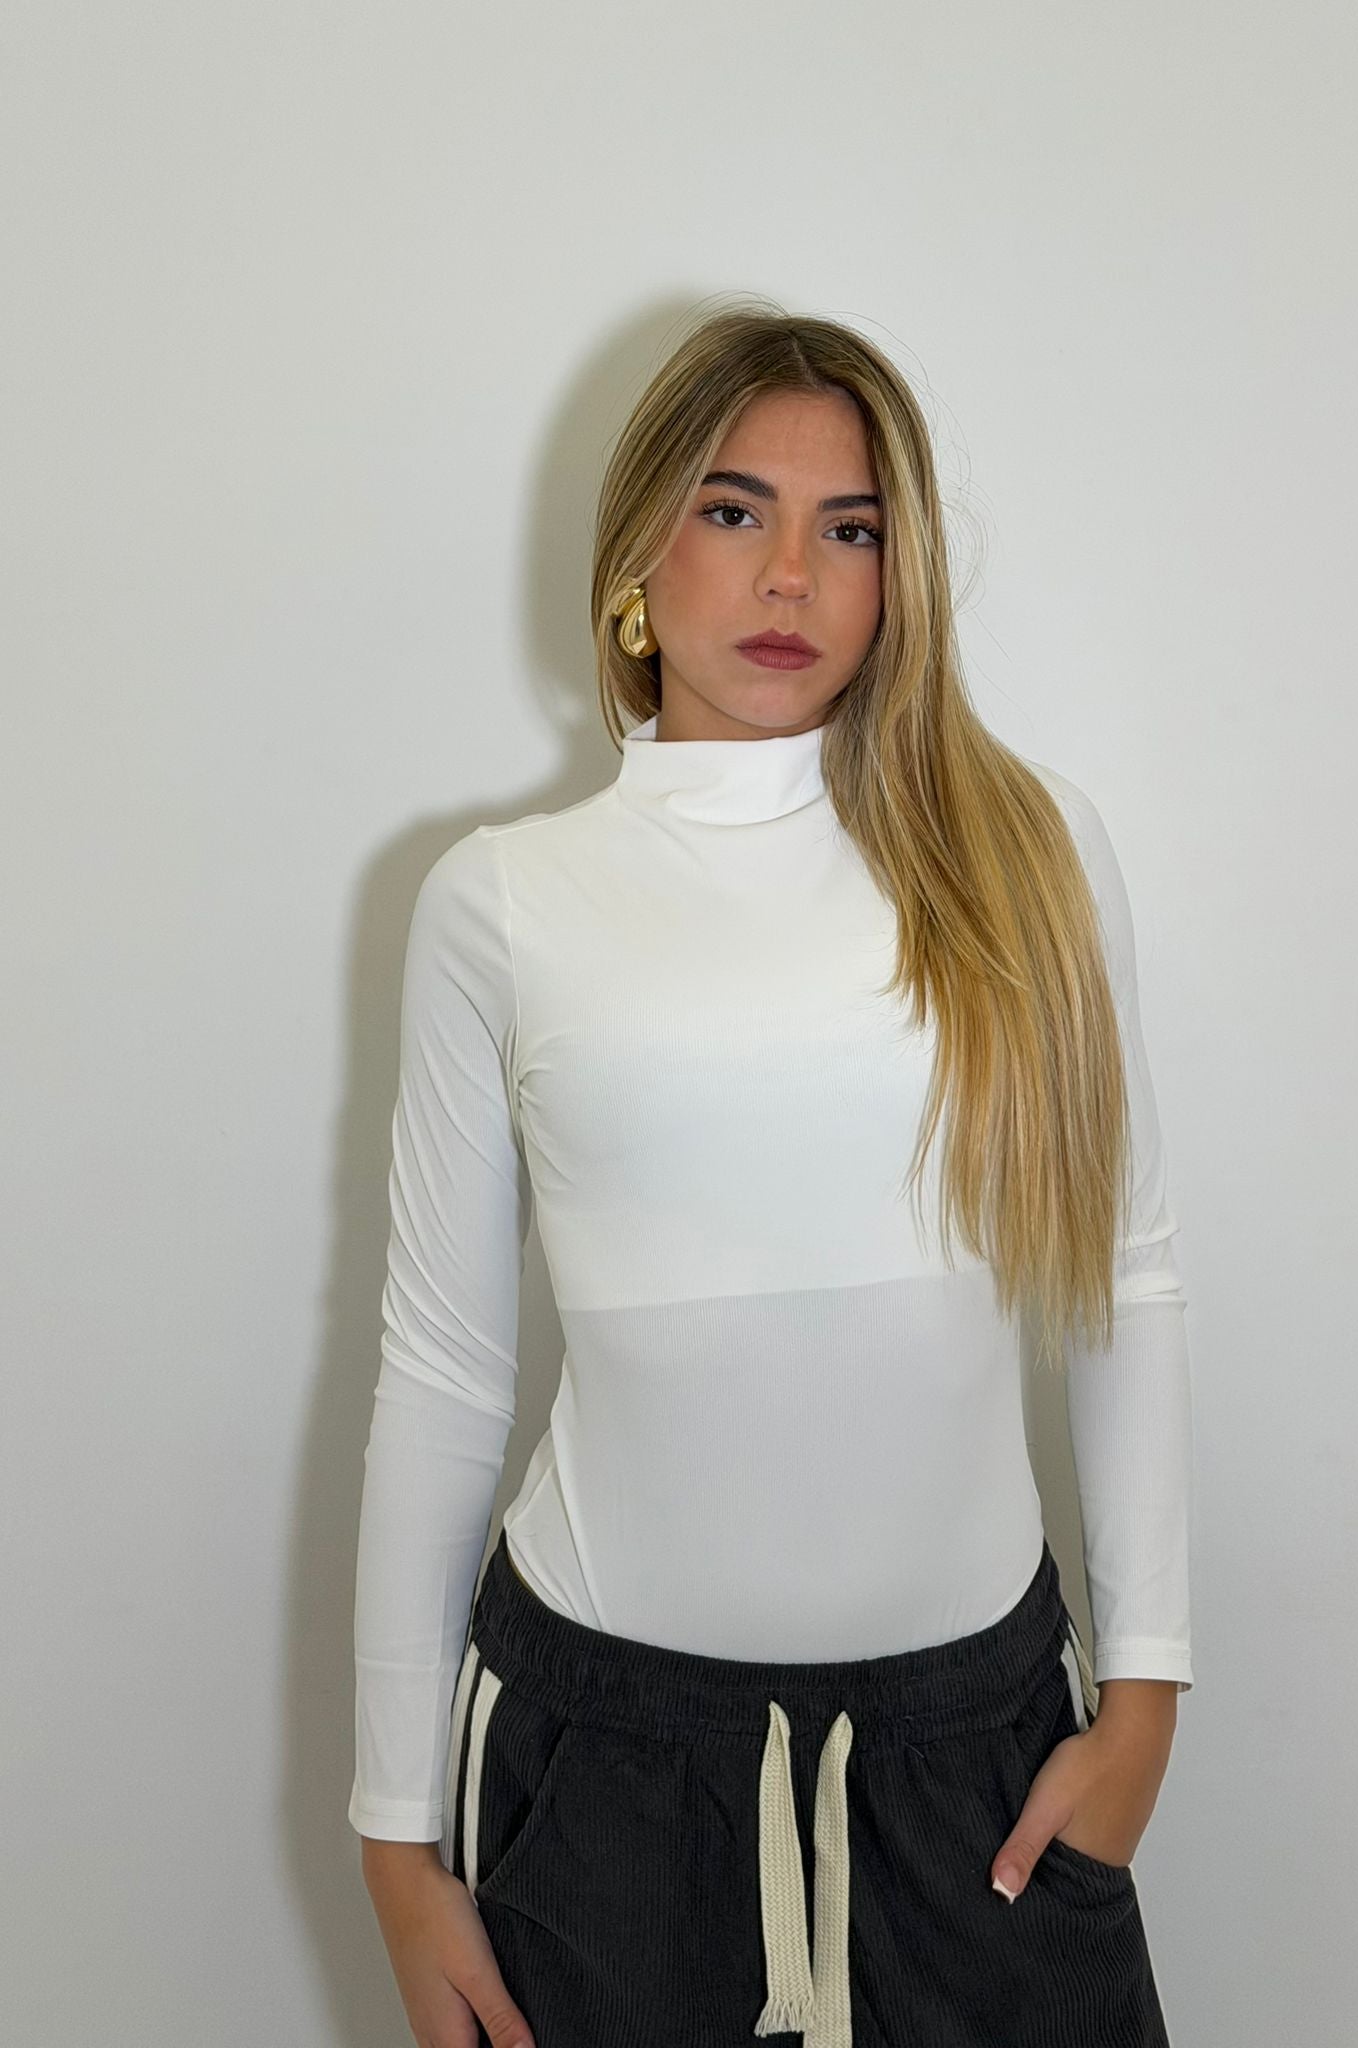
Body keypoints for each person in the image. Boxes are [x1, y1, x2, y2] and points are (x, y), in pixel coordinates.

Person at [350, 301, 1194, 2048]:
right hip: (599, 1770)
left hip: (979, 1761)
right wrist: (396, 1845)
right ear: (635, 559)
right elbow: (440, 1370)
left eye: (851, 528)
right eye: (734, 510)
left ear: (902, 576)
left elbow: (1125, 1279)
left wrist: (1145, 1701)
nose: (792, 575)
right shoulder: (499, 902)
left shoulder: (1030, 856)